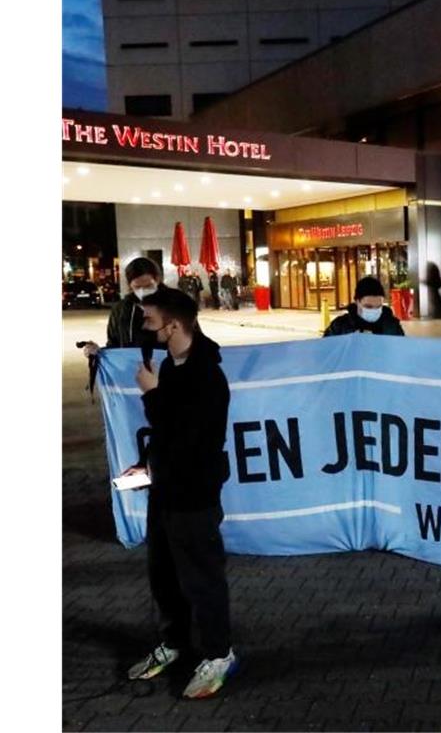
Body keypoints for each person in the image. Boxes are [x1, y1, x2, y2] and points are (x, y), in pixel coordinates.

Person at [124, 289, 236, 699]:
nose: (146, 329)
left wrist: (151, 394)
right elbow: (166, 434)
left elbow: (190, 438)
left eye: (150, 322)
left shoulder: (207, 375)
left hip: (195, 493)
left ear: (173, 325)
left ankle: (218, 654)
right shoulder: (172, 366)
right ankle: (174, 643)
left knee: (201, 577)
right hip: (165, 488)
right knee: (164, 573)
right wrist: (148, 465)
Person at [82, 257, 168, 359]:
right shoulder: (120, 310)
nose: (143, 292)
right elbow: (114, 345)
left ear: (158, 280)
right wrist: (98, 352)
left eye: (148, 286)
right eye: (138, 287)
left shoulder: (175, 305)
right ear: (130, 285)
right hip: (131, 370)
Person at [323, 276, 405, 337]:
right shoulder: (339, 326)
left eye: (378, 306)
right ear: (357, 301)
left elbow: (401, 351)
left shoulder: (392, 326)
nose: (374, 311)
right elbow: (325, 350)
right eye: (368, 307)